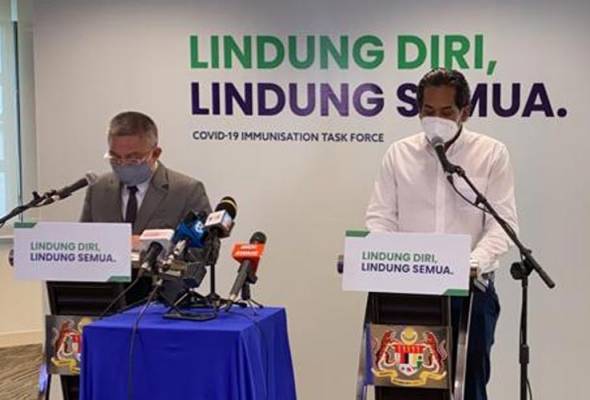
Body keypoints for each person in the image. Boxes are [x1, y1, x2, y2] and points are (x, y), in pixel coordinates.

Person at [366, 68, 518, 400]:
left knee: (468, 387)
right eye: (428, 111)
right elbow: (380, 219)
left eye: (446, 112)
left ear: (465, 111)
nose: (436, 120)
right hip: (406, 295)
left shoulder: (491, 154)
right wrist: (386, 256)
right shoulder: (398, 154)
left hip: (470, 294)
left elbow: (502, 226)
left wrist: (468, 264)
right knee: (404, 387)